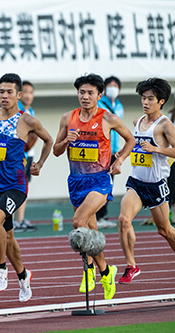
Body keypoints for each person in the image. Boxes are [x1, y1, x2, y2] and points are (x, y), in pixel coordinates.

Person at [53, 73, 135, 300]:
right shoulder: (67, 118)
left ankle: (88, 270)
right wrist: (65, 141)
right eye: (81, 92)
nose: (85, 96)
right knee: (91, 233)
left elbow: (131, 140)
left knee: (79, 223)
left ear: (99, 95)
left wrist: (119, 161)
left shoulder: (107, 118)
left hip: (100, 179)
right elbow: (56, 151)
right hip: (76, 180)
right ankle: (106, 271)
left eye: (90, 93)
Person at [0, 74, 53, 301]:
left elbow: (49, 140)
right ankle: (24, 276)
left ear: (18, 95)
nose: (4, 96)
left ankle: (1, 269)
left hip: (16, 184)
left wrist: (39, 164)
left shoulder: (27, 121)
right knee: (8, 236)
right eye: (1, 92)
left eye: (9, 92)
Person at [117, 78, 175, 284]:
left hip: (156, 185)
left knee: (165, 230)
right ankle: (131, 266)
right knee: (124, 220)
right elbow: (134, 145)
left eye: (150, 99)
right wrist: (123, 154)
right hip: (137, 182)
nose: (146, 102)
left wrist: (157, 149)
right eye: (143, 98)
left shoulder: (165, 125)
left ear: (161, 101)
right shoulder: (137, 121)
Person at [96, 76, 125, 229]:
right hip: (101, 150)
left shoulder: (119, 106)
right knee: (100, 183)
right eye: (110, 85)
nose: (113, 88)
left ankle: (104, 215)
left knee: (109, 184)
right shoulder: (99, 104)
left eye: (116, 85)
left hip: (115, 150)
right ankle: (97, 216)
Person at [14, 80, 38, 232]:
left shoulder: (31, 111)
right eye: (26, 92)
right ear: (20, 94)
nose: (28, 95)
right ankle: (15, 221)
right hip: (20, 154)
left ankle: (20, 220)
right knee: (17, 186)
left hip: (29, 154)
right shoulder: (18, 111)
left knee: (25, 186)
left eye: (31, 92)